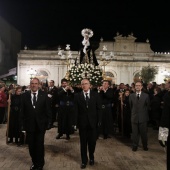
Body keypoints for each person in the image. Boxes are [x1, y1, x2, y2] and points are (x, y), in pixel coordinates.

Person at [19, 78, 52, 170]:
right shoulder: (24, 96)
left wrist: (49, 122)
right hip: (29, 125)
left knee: (39, 145)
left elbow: (48, 110)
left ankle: (40, 164)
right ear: (30, 85)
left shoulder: (44, 95)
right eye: (32, 83)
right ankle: (34, 162)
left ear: (39, 85)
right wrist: (22, 125)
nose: (34, 85)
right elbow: (22, 112)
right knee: (31, 146)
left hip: (41, 125)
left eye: (36, 83)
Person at [74, 78, 102, 169]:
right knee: (83, 143)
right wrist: (75, 123)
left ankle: (92, 157)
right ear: (81, 86)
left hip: (93, 123)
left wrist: (99, 121)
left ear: (90, 85)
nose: (84, 85)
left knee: (92, 142)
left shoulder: (95, 95)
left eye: (86, 83)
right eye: (82, 84)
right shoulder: (77, 96)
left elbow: (99, 109)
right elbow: (75, 111)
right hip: (82, 124)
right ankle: (84, 161)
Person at [129, 81, 150, 151]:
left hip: (143, 118)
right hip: (134, 117)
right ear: (135, 87)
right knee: (135, 133)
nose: (137, 87)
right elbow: (130, 106)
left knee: (144, 133)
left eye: (139, 85)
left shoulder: (146, 96)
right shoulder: (131, 95)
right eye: (136, 85)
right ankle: (135, 146)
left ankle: (145, 145)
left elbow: (148, 106)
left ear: (141, 87)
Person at [159, 81, 170, 170]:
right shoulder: (167, 93)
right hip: (165, 121)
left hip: (166, 122)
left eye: (167, 83)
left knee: (163, 140)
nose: (165, 84)